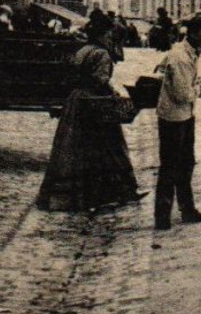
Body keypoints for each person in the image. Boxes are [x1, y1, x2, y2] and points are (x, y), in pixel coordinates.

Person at [37, 11, 144, 212]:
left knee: (73, 148)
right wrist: (114, 93)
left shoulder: (83, 50)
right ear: (103, 35)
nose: (111, 38)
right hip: (93, 103)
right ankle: (111, 193)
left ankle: (69, 196)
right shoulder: (102, 54)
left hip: (75, 102)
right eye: (109, 34)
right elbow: (99, 81)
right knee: (109, 147)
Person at [154, 17, 201, 230]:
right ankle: (163, 216)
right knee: (170, 166)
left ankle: (187, 210)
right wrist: (198, 89)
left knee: (186, 164)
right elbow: (181, 93)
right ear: (193, 33)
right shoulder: (181, 57)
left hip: (184, 115)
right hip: (174, 118)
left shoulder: (186, 52)